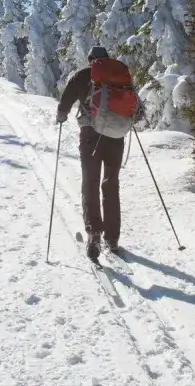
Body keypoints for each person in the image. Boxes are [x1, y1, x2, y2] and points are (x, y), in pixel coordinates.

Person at [54, 45, 143, 262]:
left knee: (90, 182)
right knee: (111, 183)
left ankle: (94, 232)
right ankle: (112, 238)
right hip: (116, 137)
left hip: (90, 135)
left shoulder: (82, 76)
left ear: (90, 59)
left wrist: (61, 117)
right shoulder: (120, 78)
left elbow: (64, 104)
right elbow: (137, 109)